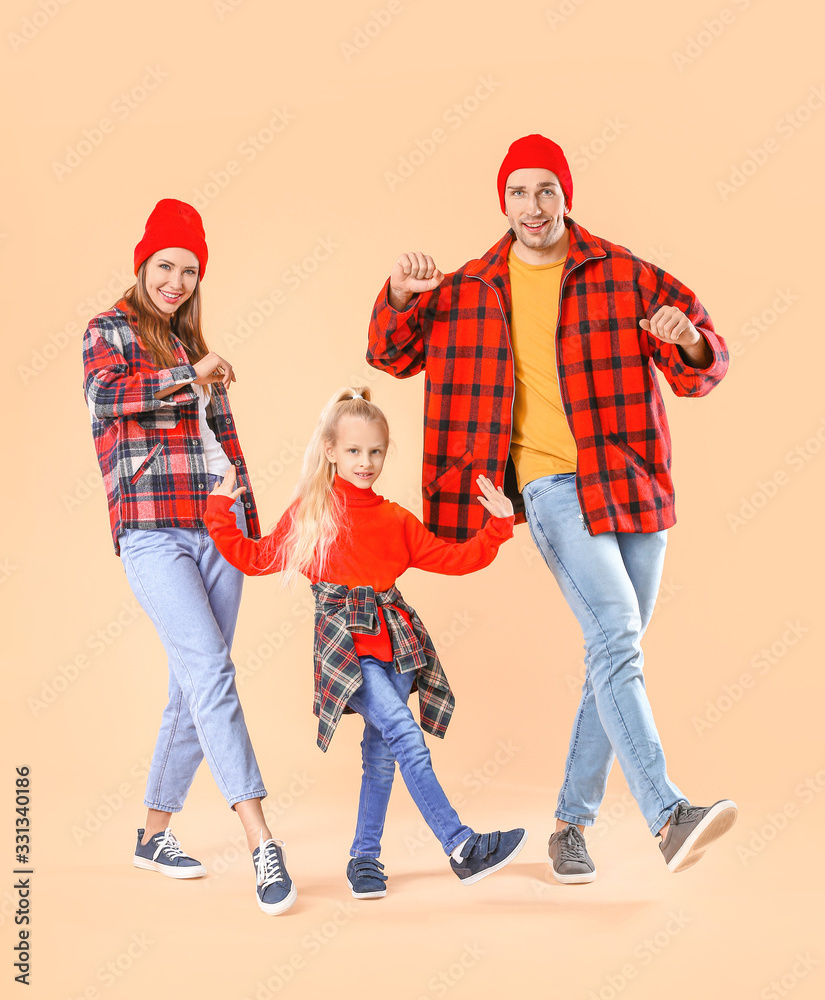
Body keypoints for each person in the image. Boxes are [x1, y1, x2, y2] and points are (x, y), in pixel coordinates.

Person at [366, 133, 737, 883]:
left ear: (565, 196)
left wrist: (690, 341)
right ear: (501, 201)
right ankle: (669, 816)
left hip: (632, 484)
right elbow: (391, 352)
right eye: (517, 193)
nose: (532, 207)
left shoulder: (624, 275)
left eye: (545, 191)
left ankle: (568, 825)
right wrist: (401, 294)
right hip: (546, 487)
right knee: (616, 635)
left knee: (612, 652)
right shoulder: (470, 287)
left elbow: (704, 367)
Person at [204, 387, 527, 898]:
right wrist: (220, 511)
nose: (366, 462)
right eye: (354, 451)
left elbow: (455, 559)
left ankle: (364, 860)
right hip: (346, 650)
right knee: (405, 734)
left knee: (382, 754)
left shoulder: (395, 518)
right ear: (330, 451)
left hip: (397, 645)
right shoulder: (313, 513)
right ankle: (462, 846)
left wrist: (499, 524)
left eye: (376, 451)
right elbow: (256, 557)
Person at [82, 198, 296, 915]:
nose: (176, 280)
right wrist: (190, 375)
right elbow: (109, 398)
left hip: (219, 522)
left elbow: (221, 447)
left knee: (192, 687)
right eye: (166, 266)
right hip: (152, 529)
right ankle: (262, 837)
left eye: (189, 270)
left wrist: (249, 524)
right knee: (210, 672)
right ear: (143, 264)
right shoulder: (107, 332)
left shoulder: (189, 346)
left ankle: (152, 836)